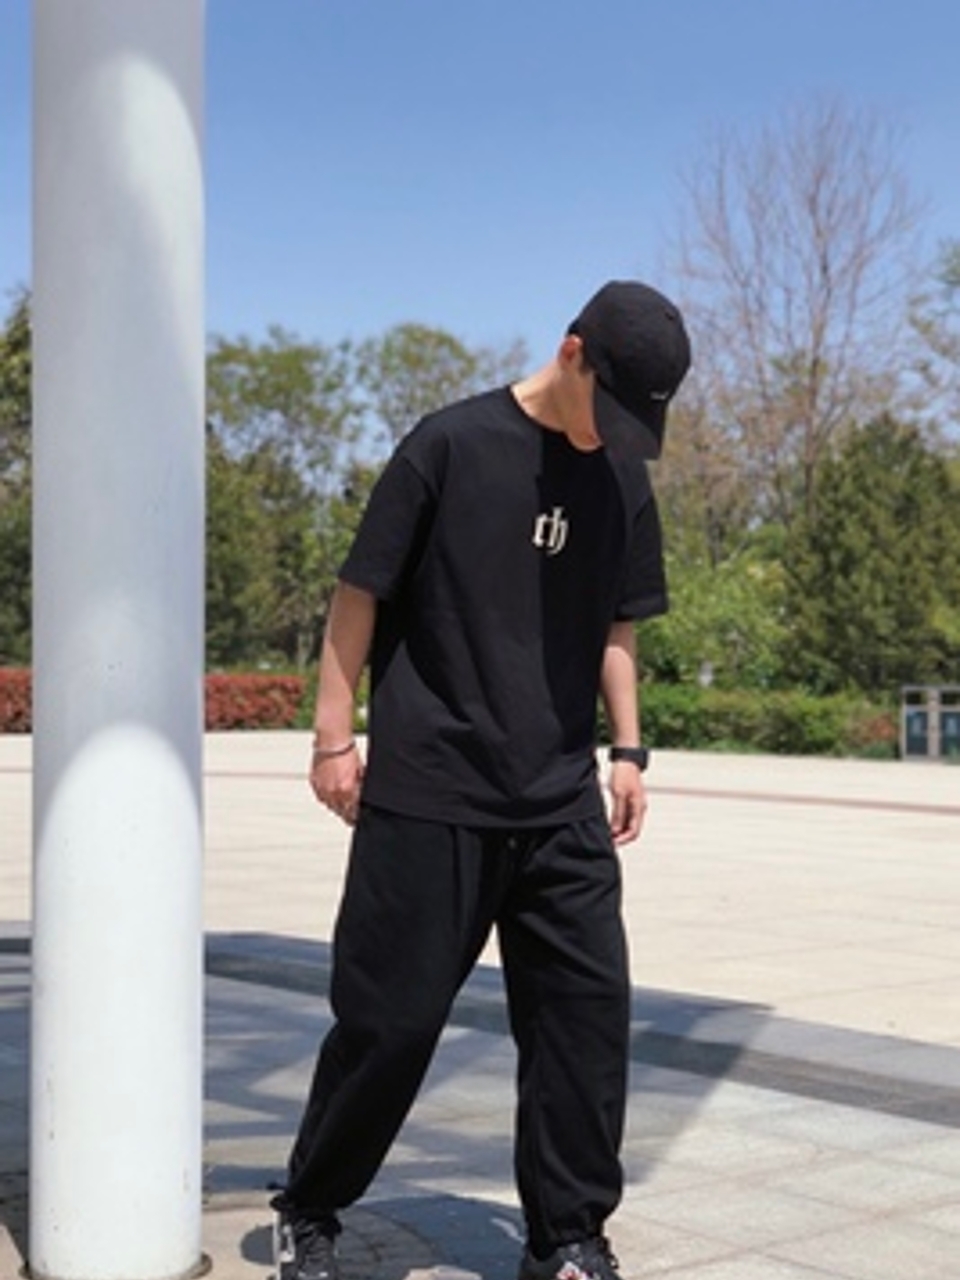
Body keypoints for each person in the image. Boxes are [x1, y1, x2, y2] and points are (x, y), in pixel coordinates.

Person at [271, 280, 691, 1280]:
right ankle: (311, 1205)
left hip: (558, 799)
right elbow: (360, 593)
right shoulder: (450, 446)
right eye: (611, 406)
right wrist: (333, 739)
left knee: (586, 1022)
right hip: (431, 790)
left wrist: (628, 750)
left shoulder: (621, 475)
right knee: (390, 1023)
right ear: (571, 352)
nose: (616, 433)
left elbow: (618, 623)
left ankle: (568, 1237)